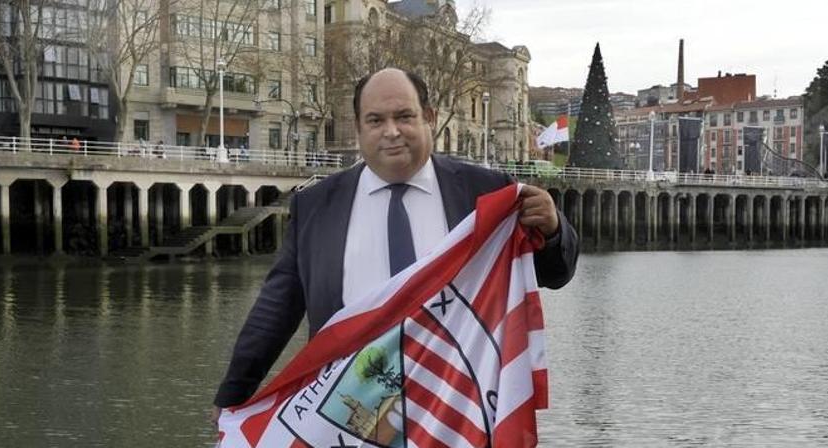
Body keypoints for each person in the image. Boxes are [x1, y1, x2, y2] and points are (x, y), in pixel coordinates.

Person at [211, 68, 579, 421]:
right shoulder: (315, 206)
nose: (391, 132)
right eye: (375, 120)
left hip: (455, 412)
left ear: (429, 117)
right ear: (359, 128)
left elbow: (554, 274)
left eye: (404, 116)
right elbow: (277, 308)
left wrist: (552, 229)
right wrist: (233, 395)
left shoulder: (485, 192)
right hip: (347, 412)